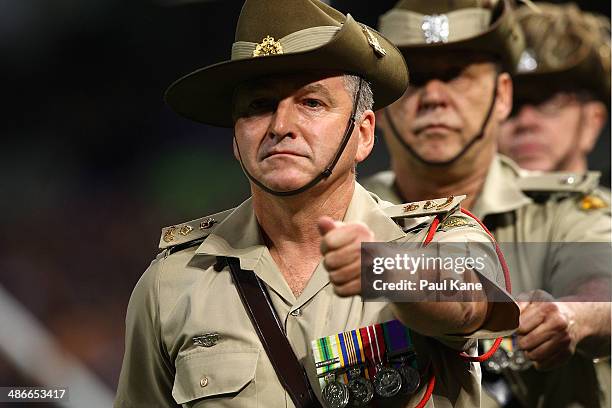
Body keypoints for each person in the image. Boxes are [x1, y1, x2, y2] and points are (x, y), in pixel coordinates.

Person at [114, 0, 519, 407]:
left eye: (311, 103)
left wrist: (390, 270)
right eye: (259, 106)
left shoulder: (438, 239)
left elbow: (466, 304)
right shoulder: (170, 283)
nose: (280, 126)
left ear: (363, 135)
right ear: (236, 140)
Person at [363, 0, 611, 406]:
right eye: (416, 78)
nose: (435, 98)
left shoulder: (561, 211)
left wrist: (570, 315)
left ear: (501, 95)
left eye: (456, 75)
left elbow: (602, 284)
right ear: (383, 101)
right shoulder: (346, 217)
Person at [498, 3, 610, 177]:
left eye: (546, 101)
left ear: (592, 122)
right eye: (512, 102)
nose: (526, 121)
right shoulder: (453, 203)